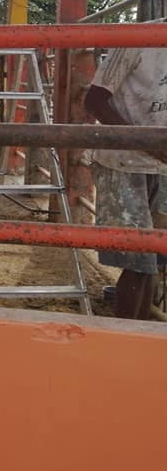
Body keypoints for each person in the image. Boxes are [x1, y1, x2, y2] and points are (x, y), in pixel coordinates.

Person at [84, 45, 167, 320]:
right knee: (140, 259)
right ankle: (128, 330)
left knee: (152, 256)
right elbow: (94, 101)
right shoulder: (138, 42)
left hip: (160, 164)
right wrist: (143, 142)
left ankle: (138, 330)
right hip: (123, 161)